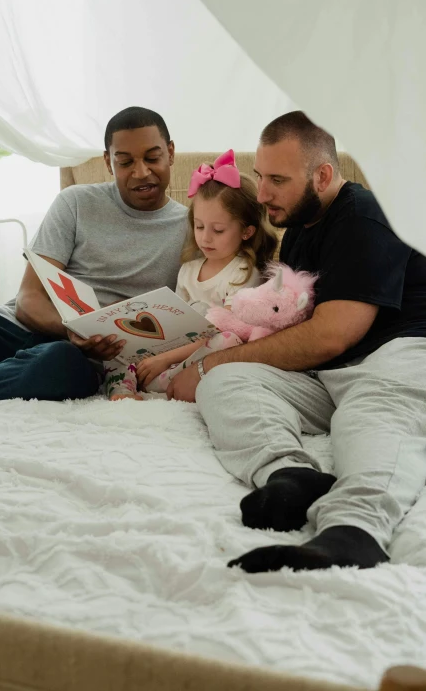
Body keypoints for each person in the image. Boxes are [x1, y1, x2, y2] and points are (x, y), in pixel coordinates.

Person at [167, 111, 426, 574]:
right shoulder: (297, 236)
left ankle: (354, 532)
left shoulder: (365, 216)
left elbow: (332, 333)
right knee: (227, 382)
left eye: (277, 180)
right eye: (260, 175)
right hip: (330, 372)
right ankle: (291, 476)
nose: (261, 193)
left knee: (371, 417)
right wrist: (213, 367)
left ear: (322, 175)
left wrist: (206, 364)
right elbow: (290, 332)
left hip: (397, 355)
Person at [0, 107, 188, 409]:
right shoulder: (76, 202)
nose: (141, 172)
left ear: (170, 153)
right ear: (108, 162)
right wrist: (73, 328)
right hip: (6, 327)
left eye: (152, 158)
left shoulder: (196, 231)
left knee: (57, 363)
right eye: (125, 162)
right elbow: (28, 300)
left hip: (76, 358)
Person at [104, 149, 277, 399]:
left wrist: (164, 360)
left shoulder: (243, 273)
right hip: (167, 355)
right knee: (118, 341)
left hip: (192, 361)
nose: (205, 237)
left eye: (218, 230)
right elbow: (173, 326)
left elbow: (222, 331)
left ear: (246, 232)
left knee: (227, 340)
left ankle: (171, 381)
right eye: (199, 226)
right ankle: (123, 387)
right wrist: (153, 350)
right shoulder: (188, 270)